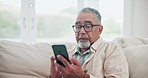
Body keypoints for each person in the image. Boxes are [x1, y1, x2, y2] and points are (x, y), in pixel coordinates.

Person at [50, 7, 129, 78]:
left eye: (88, 26)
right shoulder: (68, 52)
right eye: (78, 26)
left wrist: (84, 76)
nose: (81, 31)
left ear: (100, 29)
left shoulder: (112, 49)